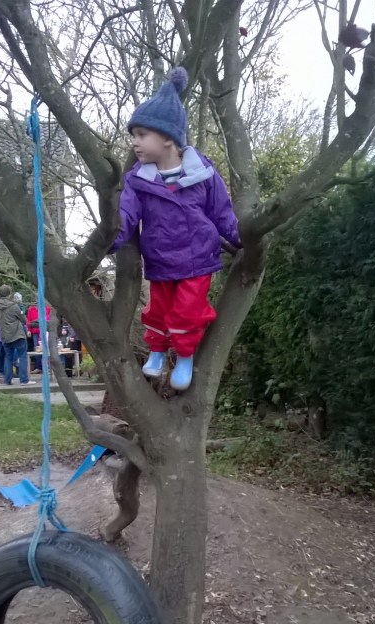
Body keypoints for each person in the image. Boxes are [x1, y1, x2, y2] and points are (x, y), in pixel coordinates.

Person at [111, 67, 240, 391]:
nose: (135, 143)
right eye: (133, 135)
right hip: (160, 259)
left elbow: (221, 211)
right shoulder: (139, 180)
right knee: (158, 309)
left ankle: (183, 357)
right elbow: (126, 214)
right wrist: (113, 237)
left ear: (167, 137)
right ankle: (156, 351)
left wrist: (239, 237)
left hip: (197, 259)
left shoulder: (203, 173)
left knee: (187, 311)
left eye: (141, 135)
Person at [0, 285, 35, 386]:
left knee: (8, 357)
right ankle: (24, 380)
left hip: (4, 336)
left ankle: (7, 381)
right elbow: (24, 320)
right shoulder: (13, 306)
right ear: (9, 294)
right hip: (17, 335)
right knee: (22, 356)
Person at [26, 302, 50, 373]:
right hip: (35, 332)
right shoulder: (31, 310)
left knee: (46, 348)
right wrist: (29, 330)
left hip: (45, 331)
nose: (36, 306)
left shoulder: (47, 308)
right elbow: (28, 321)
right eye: (35, 305)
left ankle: (47, 367)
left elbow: (48, 319)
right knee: (37, 349)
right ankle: (38, 367)